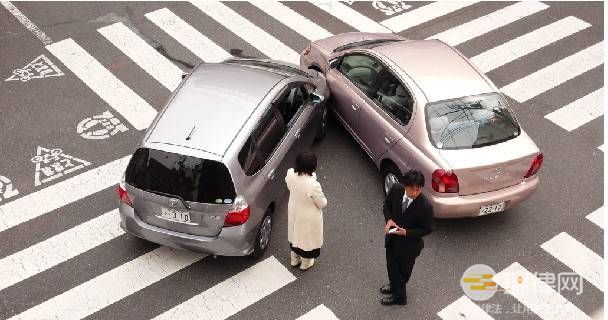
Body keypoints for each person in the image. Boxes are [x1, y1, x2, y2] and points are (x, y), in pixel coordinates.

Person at [380, 169, 433, 305]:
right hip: (392, 238)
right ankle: (393, 285)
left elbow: (427, 229)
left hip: (409, 247)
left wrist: (406, 232)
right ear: (404, 185)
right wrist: (389, 220)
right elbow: (386, 206)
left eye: (418, 189)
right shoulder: (397, 189)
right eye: (411, 189)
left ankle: (399, 298)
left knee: (402, 274)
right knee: (391, 267)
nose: (414, 193)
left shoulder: (425, 207)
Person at [285, 152, 327, 270]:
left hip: (294, 210)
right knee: (307, 241)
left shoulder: (290, 174)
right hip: (308, 217)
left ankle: (294, 259)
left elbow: (289, 185)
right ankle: (305, 263)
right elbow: (322, 203)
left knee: (295, 236)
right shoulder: (313, 185)